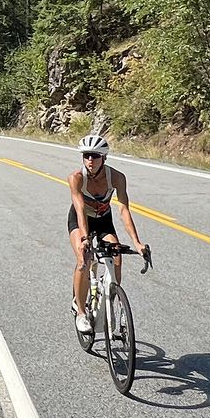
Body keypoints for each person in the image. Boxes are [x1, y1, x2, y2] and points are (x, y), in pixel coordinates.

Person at [69, 132, 148, 334]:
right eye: (86, 155)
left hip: (103, 219)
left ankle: (110, 299)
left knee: (117, 257)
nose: (90, 160)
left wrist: (137, 243)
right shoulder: (76, 178)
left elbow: (123, 210)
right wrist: (85, 239)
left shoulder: (118, 178)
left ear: (104, 158)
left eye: (95, 156)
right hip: (81, 220)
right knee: (83, 260)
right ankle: (80, 311)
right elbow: (79, 209)